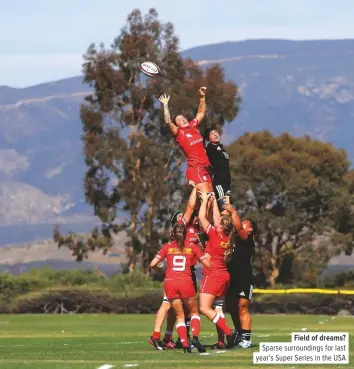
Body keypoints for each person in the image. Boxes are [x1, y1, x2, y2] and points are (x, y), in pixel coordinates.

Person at [148, 187, 199, 350]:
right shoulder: (181, 228)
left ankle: (170, 337)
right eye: (179, 216)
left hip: (182, 275)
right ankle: (164, 337)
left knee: (175, 308)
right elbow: (191, 207)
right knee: (173, 307)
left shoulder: (194, 228)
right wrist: (197, 188)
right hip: (179, 275)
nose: (182, 216)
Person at [150, 223, 211, 353]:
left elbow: (153, 264)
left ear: (173, 234)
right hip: (186, 281)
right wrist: (206, 256)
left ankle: (184, 344)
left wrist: (160, 270)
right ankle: (194, 338)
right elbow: (207, 264)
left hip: (170, 282)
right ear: (186, 235)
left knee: (179, 314)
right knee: (194, 312)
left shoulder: (167, 247)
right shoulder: (192, 247)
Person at [197, 191, 238, 349]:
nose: (216, 221)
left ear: (220, 226)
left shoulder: (215, 234)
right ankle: (221, 342)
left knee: (204, 308)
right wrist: (214, 202)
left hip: (213, 275)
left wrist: (205, 200)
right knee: (217, 309)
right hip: (224, 276)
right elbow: (215, 218)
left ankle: (229, 333)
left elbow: (202, 218)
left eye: (219, 221)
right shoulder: (227, 237)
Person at [159, 87, 213, 193]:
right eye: (178, 120)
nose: (182, 119)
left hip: (207, 167)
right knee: (207, 197)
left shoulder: (192, 126)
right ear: (177, 125)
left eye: (183, 117)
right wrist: (165, 105)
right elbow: (168, 121)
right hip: (197, 168)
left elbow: (201, 113)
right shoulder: (180, 133)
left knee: (210, 199)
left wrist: (202, 97)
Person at [224, 204, 256, 349]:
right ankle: (239, 332)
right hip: (232, 278)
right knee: (231, 306)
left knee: (243, 307)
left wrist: (233, 211)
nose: (242, 225)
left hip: (245, 279)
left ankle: (246, 339)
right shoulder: (234, 238)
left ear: (250, 229)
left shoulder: (247, 239)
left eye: (245, 224)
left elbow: (238, 228)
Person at [205, 128, 232, 209]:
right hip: (219, 182)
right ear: (208, 138)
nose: (215, 134)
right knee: (223, 207)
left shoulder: (223, 149)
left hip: (227, 183)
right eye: (212, 133)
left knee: (228, 208)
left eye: (216, 132)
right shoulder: (209, 148)